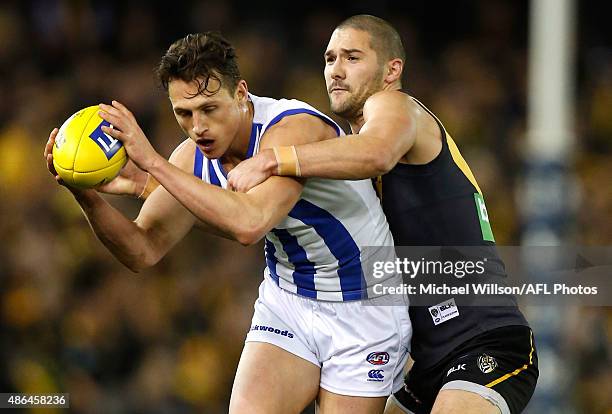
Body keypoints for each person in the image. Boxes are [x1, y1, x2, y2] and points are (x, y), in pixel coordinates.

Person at [43, 32, 411, 413]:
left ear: (241, 94)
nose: (197, 126)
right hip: (289, 298)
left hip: (363, 303)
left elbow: (250, 222)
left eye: (209, 108)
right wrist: (83, 192)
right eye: (183, 114)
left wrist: (153, 165)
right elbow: (142, 249)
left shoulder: (290, 128)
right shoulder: (192, 157)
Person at [227, 15, 538, 414]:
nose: (336, 70)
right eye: (329, 59)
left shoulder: (397, 108)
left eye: (352, 57)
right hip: (428, 360)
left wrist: (273, 159)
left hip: (486, 339)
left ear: (393, 70)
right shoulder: (344, 156)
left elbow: (378, 153)